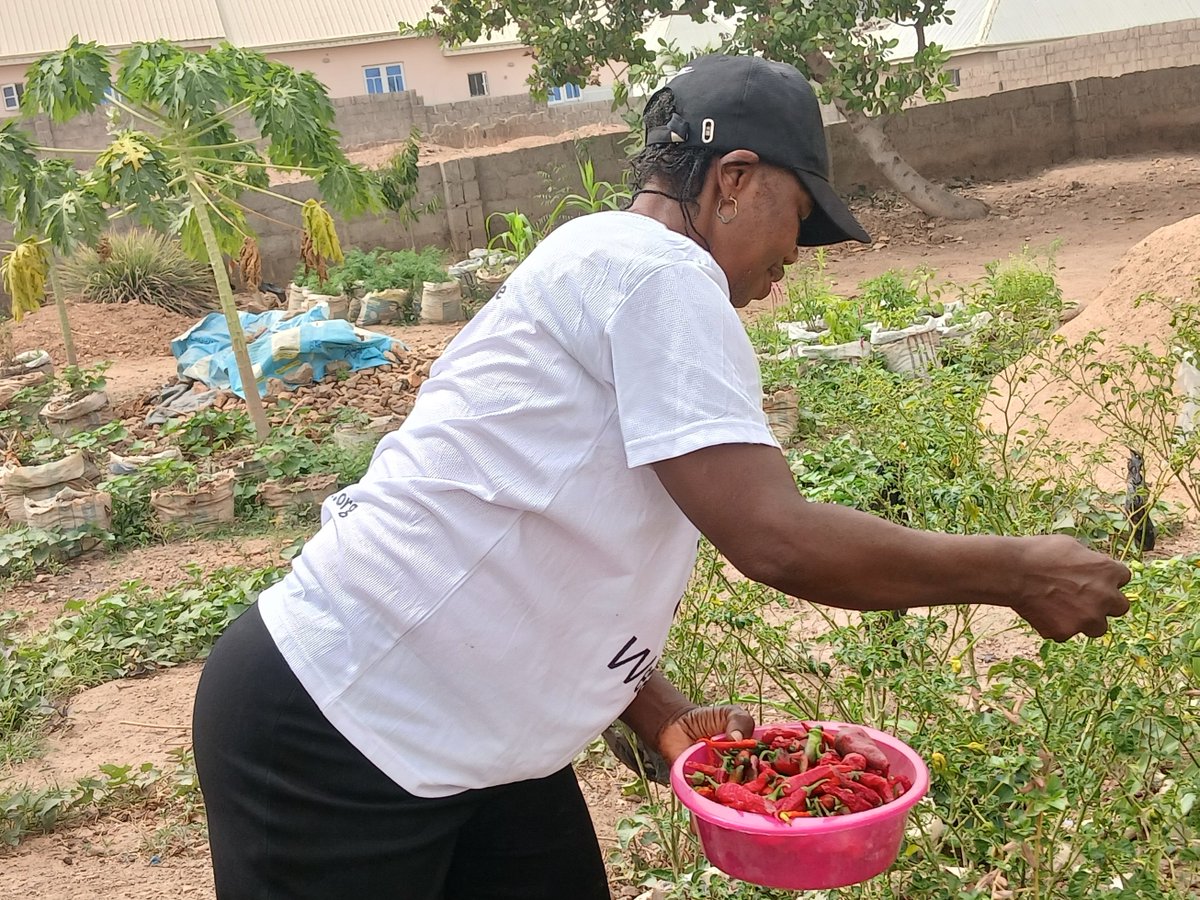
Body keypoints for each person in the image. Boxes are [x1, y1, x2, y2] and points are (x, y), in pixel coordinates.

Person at [192, 54, 1130, 899]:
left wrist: (655, 709)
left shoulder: (608, 260)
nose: (792, 259)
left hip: (479, 745)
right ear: (734, 181)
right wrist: (1018, 571)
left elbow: (545, 520)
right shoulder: (657, 274)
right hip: (336, 729)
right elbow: (776, 539)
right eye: (798, 219)